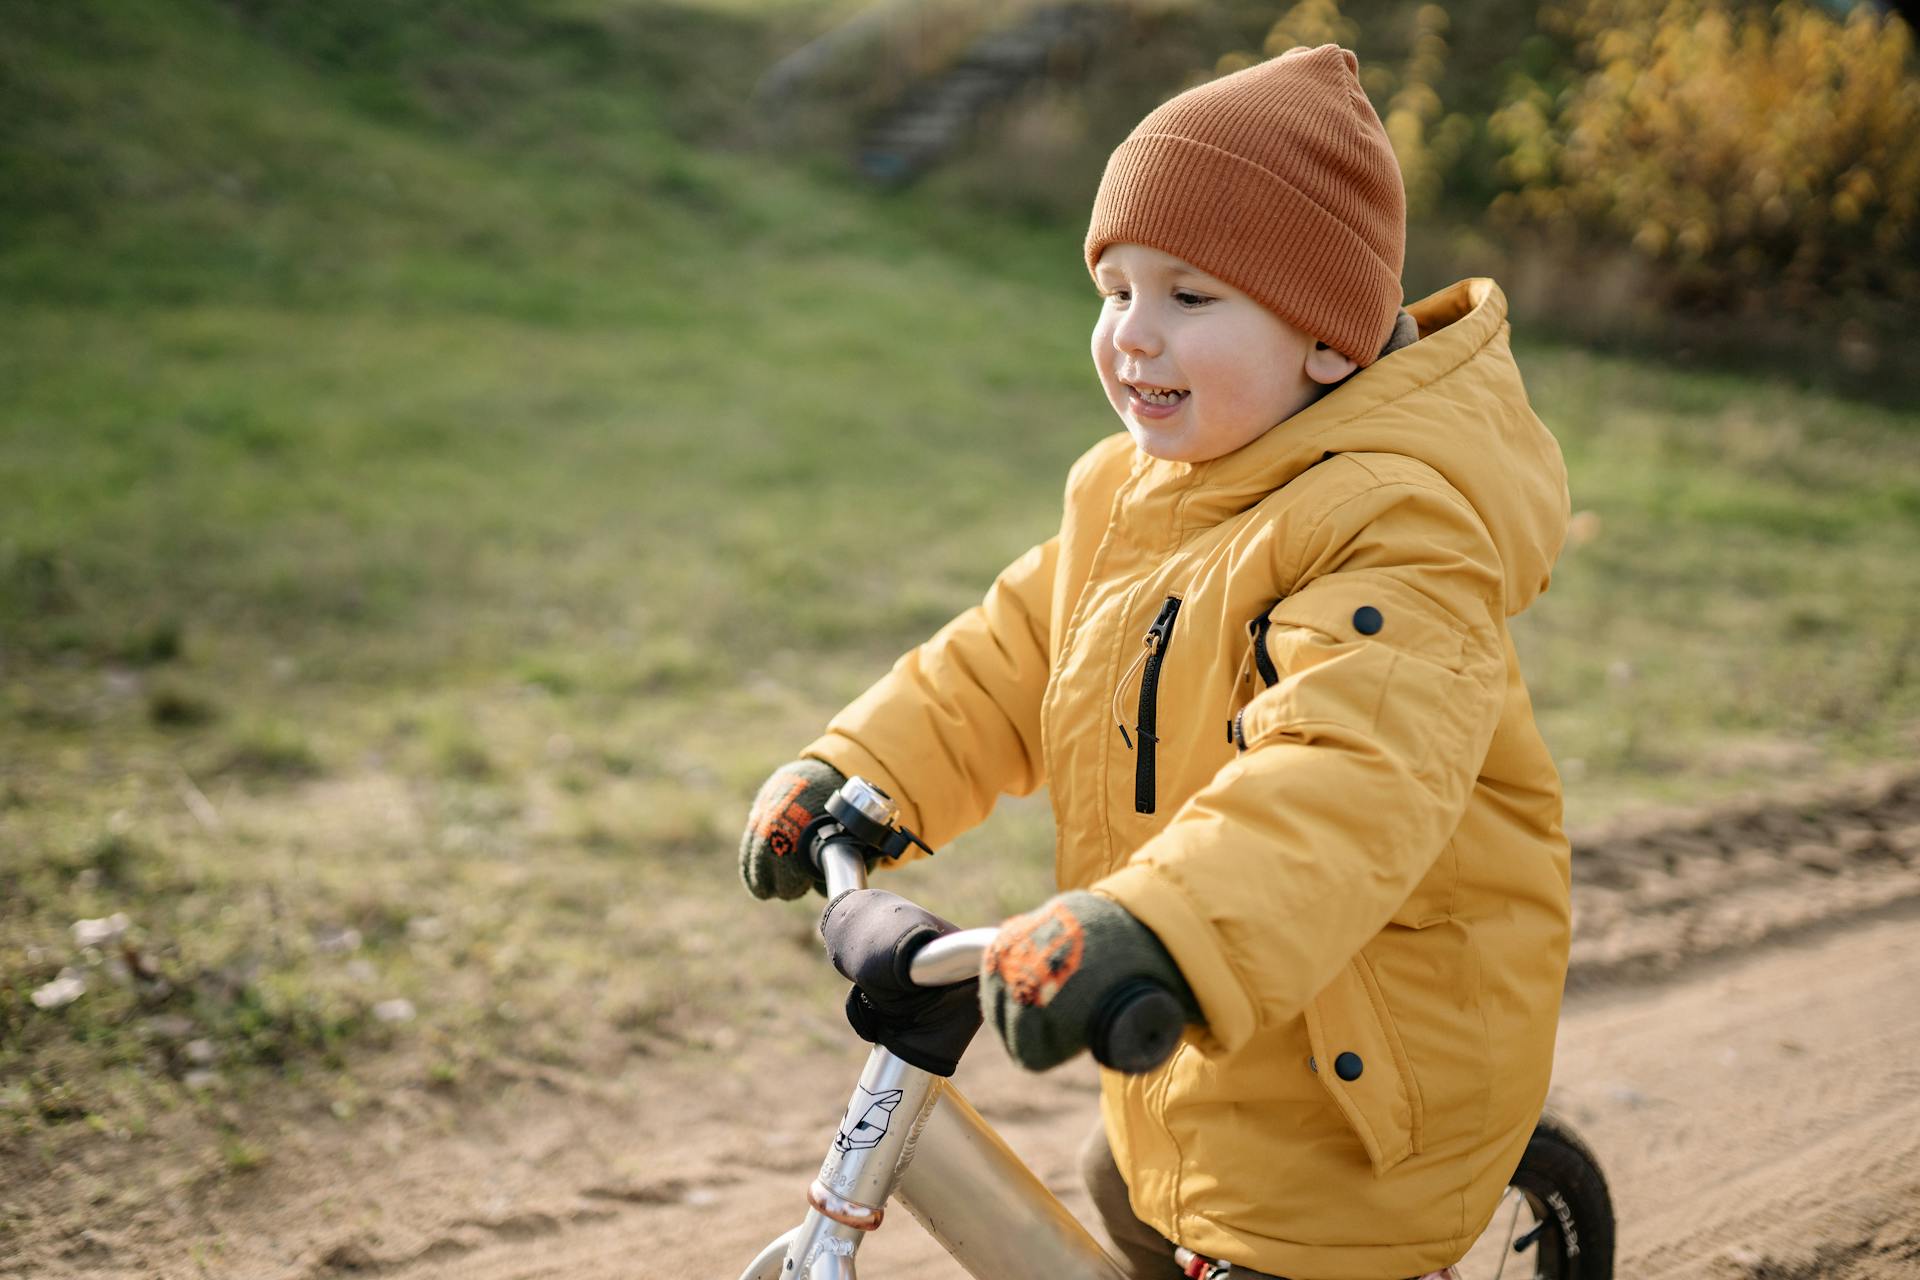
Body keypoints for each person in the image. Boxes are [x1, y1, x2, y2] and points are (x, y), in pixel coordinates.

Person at [739, 43, 1571, 1280]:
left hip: (1363, 1063)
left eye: (1190, 298)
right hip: (1210, 1020)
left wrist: (1159, 920)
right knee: (1115, 1187)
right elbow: (1009, 653)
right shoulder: (1136, 493)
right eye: (1115, 288)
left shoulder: (1396, 532)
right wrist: (861, 770)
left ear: (1328, 345)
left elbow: (1347, 774)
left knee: (1278, 1239)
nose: (1133, 335)